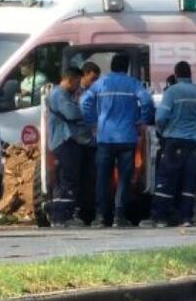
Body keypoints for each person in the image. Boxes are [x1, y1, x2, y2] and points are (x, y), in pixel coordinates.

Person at [81, 54, 154, 227]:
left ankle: (100, 217)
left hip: (105, 137)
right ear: (126, 67)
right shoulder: (133, 84)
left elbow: (84, 102)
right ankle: (119, 217)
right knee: (123, 178)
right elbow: (146, 101)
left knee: (102, 178)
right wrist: (142, 121)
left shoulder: (101, 83)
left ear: (111, 67)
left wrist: (92, 122)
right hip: (127, 138)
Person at [151, 61, 196, 228]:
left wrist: (163, 130)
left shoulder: (171, 92)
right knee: (188, 181)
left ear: (176, 75)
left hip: (173, 141)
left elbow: (161, 117)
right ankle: (186, 218)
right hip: (192, 142)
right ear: (190, 74)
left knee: (166, 180)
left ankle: (161, 217)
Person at [46, 67, 87, 227]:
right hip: (64, 141)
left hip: (62, 141)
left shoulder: (60, 94)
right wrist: (81, 111)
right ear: (70, 80)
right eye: (77, 82)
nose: (78, 86)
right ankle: (64, 216)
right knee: (68, 179)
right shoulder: (60, 95)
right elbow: (72, 114)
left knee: (64, 179)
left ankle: (59, 214)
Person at [75, 62, 102, 225]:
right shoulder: (76, 92)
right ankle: (78, 210)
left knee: (90, 177)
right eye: (92, 78)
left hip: (90, 140)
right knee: (78, 176)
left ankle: (87, 209)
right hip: (79, 140)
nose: (94, 82)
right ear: (84, 74)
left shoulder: (92, 93)